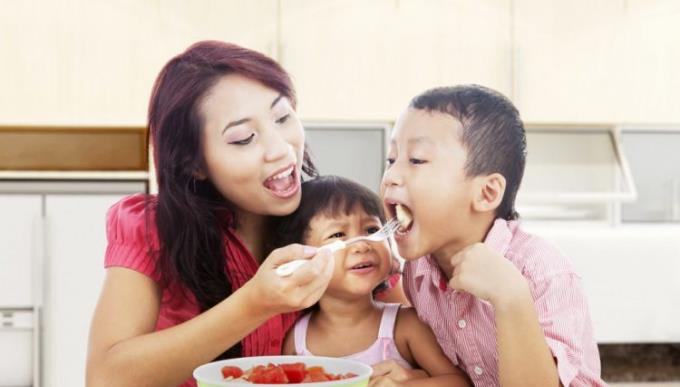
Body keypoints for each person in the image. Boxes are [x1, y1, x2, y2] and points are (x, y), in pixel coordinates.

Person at [86, 41, 335, 387]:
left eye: (282, 117)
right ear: (194, 163)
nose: (281, 149)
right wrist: (254, 304)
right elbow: (105, 378)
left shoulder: (334, 217)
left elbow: (401, 325)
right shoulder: (151, 228)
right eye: (244, 138)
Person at [381, 85, 606, 386]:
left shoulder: (543, 272)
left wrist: (510, 296)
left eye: (417, 160)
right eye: (391, 159)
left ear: (486, 193)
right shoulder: (418, 272)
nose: (391, 176)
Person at [277, 176, 471, 387]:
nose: (362, 244)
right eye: (338, 234)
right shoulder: (297, 341)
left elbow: (459, 383)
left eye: (371, 230)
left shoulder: (404, 325)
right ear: (301, 259)